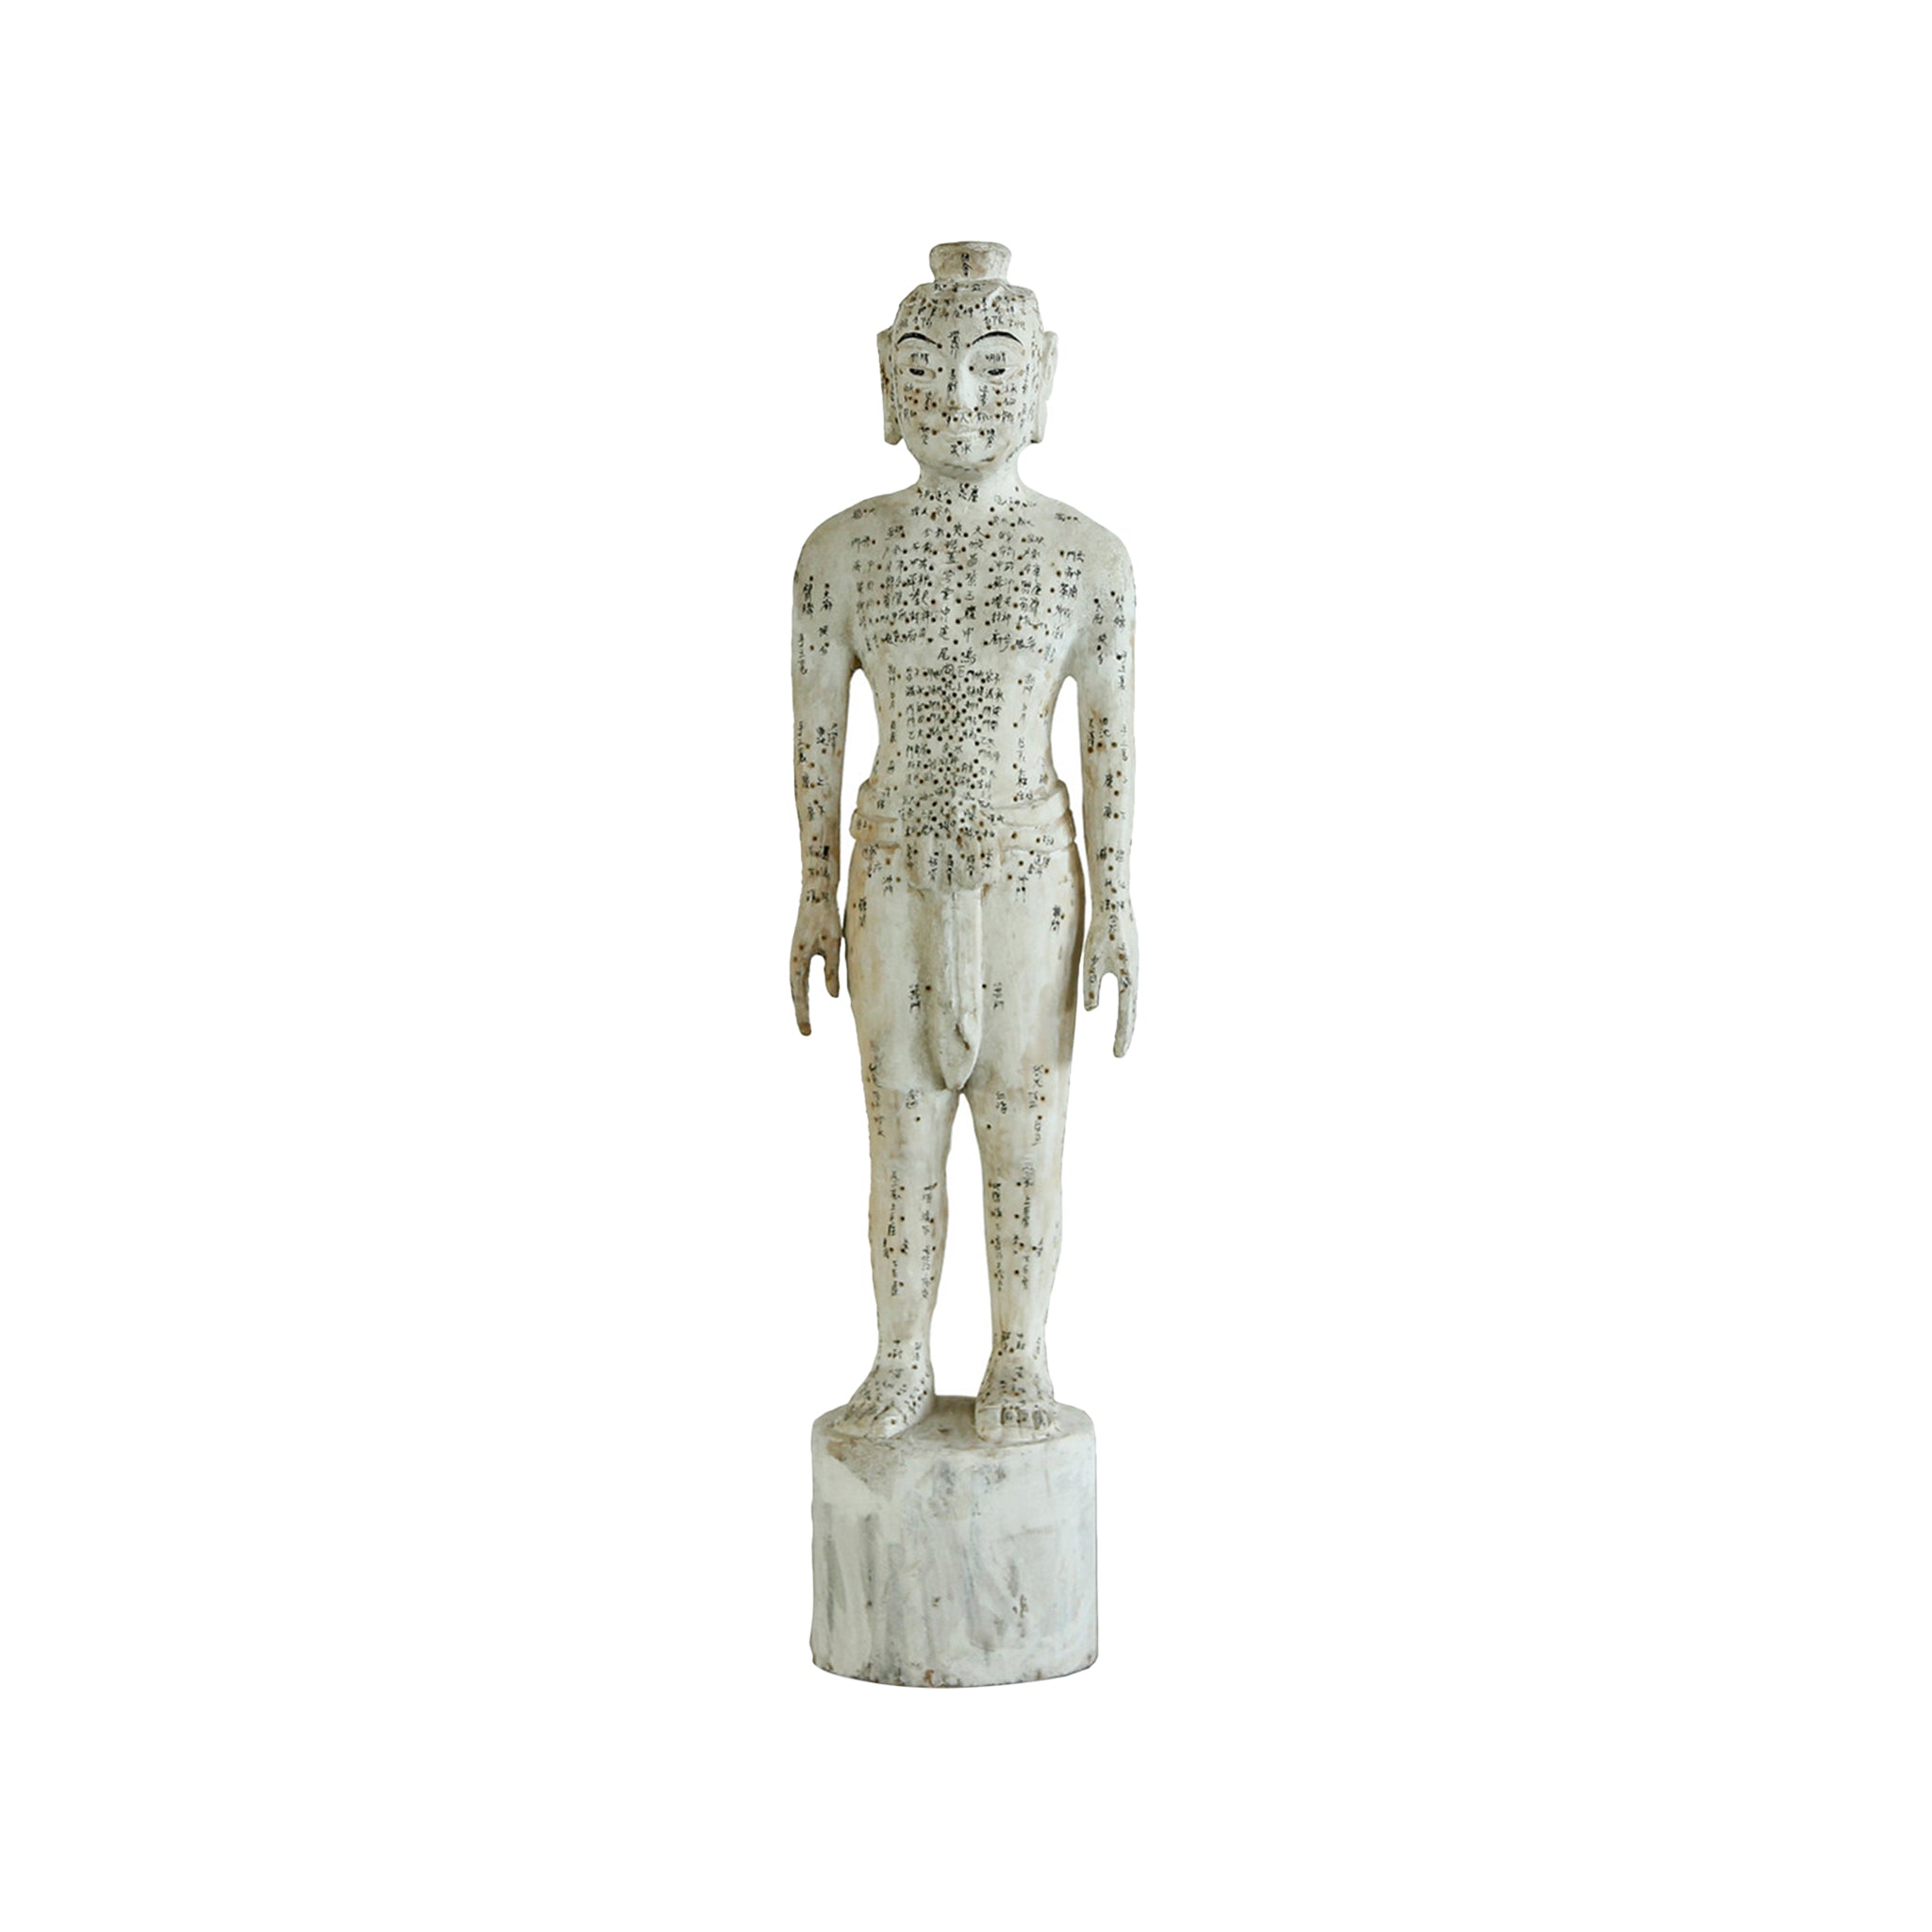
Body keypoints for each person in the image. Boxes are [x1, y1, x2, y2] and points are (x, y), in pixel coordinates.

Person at [790, 242, 1138, 1444]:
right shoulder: (841, 554)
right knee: (900, 1134)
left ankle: (1018, 1352)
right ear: (886, 381)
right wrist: (814, 890)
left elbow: (1109, 741)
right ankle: (899, 1355)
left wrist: (1118, 903)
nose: (963, 395)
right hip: (891, 868)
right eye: (930, 366)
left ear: (1042, 377)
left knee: (1024, 1131)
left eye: (993, 365)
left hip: (1028, 872)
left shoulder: (1087, 559)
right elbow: (816, 735)